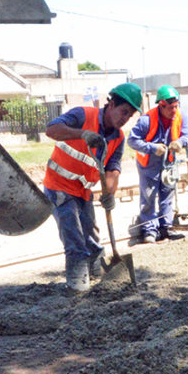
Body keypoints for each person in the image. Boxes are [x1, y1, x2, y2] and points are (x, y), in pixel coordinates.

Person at [42, 83, 141, 291]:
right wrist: (81, 134)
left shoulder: (118, 137)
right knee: (75, 240)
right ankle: (78, 288)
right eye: (123, 112)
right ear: (112, 104)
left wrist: (110, 194)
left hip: (82, 191)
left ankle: (98, 279)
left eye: (129, 115)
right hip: (58, 187)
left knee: (92, 238)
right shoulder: (82, 115)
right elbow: (51, 129)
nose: (125, 119)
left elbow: (113, 168)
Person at [127, 85, 188, 244]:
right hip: (149, 164)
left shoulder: (180, 116)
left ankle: (166, 228)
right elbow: (132, 140)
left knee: (167, 195)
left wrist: (180, 142)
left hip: (168, 162)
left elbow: (187, 135)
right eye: (170, 108)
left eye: (176, 107)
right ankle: (150, 230)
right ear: (161, 105)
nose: (174, 111)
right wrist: (151, 148)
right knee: (148, 196)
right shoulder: (146, 120)